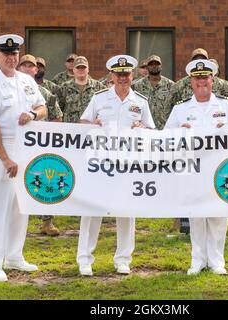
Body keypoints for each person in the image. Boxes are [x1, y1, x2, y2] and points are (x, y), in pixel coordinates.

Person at [77, 54, 155, 276]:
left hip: (128, 165)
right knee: (92, 210)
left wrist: (144, 129)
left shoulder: (140, 101)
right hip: (100, 164)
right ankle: (85, 259)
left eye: (127, 74)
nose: (123, 78)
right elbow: (82, 124)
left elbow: (152, 130)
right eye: (119, 74)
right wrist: (92, 124)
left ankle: (123, 259)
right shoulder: (99, 98)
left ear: (132, 75)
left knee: (126, 210)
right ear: (112, 75)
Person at [165, 59, 228, 276]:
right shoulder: (181, 108)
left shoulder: (226, 105)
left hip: (220, 169)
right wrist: (179, 130)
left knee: (218, 215)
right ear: (191, 81)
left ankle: (217, 260)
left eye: (206, 77)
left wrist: (227, 128)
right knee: (195, 214)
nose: (202, 82)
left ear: (212, 80)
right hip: (192, 169)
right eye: (197, 78)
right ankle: (197, 259)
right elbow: (166, 135)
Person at [0, 34, 48, 282]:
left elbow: (43, 108)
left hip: (27, 147)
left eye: (15, 54)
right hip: (4, 147)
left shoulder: (27, 81)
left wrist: (32, 113)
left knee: (22, 203)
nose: (11, 58)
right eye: (6, 54)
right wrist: (6, 159)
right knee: (1, 205)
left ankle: (15, 255)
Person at [17, 53, 62, 236]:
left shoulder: (46, 94)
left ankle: (47, 221)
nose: (28, 69)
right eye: (25, 66)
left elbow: (57, 117)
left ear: (37, 70)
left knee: (44, 181)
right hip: (18, 146)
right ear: (19, 68)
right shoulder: (12, 89)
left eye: (32, 66)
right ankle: (17, 223)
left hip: (41, 145)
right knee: (18, 183)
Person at [57, 55, 105, 123]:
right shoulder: (64, 88)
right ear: (73, 70)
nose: (81, 70)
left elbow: (105, 108)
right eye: (78, 67)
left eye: (83, 67)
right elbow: (58, 112)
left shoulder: (99, 87)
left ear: (88, 69)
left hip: (92, 129)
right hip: (70, 130)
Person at [132, 55, 174, 129]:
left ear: (161, 66)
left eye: (157, 64)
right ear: (147, 67)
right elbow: (133, 106)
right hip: (145, 129)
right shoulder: (138, 85)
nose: (154, 66)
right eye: (151, 64)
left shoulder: (170, 85)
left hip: (165, 129)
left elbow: (175, 108)